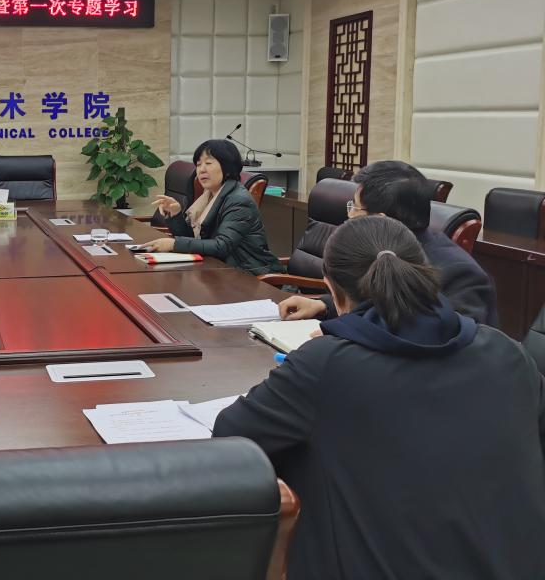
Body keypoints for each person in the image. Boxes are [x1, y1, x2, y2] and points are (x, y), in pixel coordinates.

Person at [213, 216, 545, 579]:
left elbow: (232, 438)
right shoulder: (508, 352)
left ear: (332, 290)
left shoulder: (326, 365)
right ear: (423, 273)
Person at [279, 160, 499, 329]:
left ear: (379, 220)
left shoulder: (460, 275)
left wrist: (348, 335)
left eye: (354, 207)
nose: (349, 216)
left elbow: (450, 343)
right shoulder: (378, 250)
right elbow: (373, 304)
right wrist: (324, 306)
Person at [141, 139, 281, 274]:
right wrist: (176, 214)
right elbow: (193, 238)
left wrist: (173, 244)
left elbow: (222, 246)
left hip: (250, 275)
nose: (201, 170)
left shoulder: (239, 201)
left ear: (227, 168)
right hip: (218, 270)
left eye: (208, 163)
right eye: (198, 164)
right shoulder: (209, 195)